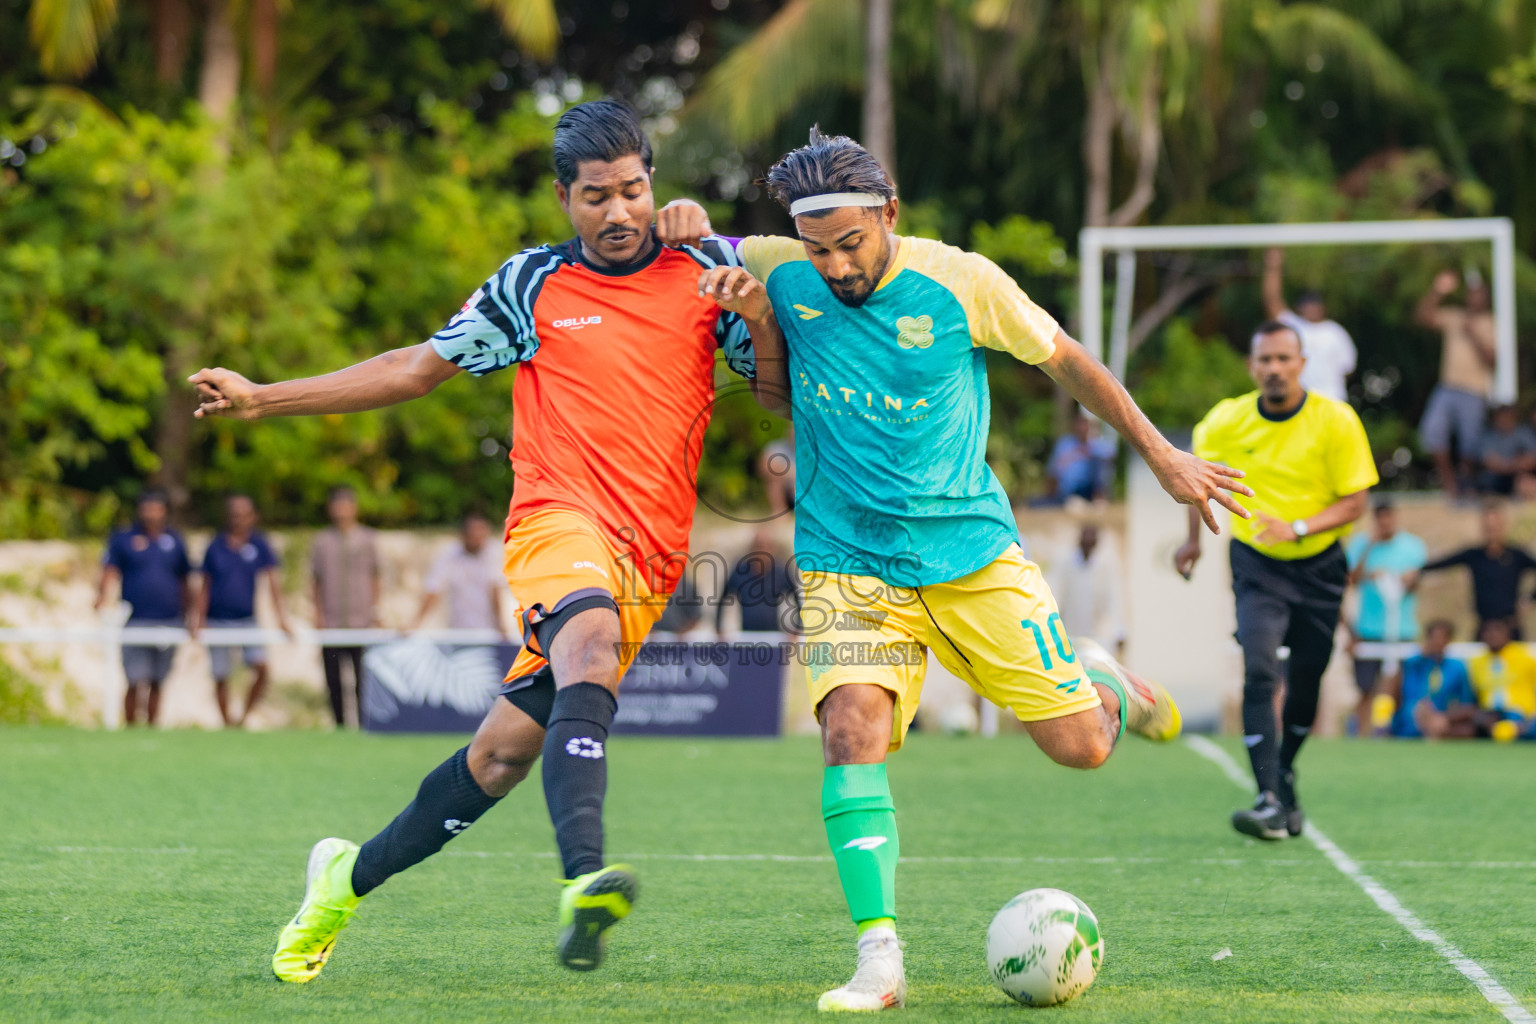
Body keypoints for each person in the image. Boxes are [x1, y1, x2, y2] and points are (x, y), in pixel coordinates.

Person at [189, 101, 762, 981]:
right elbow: (412, 370)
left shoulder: (705, 266)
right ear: (564, 200)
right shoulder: (531, 285)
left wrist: (741, 280)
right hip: (556, 521)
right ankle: (585, 881)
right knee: (591, 640)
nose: (618, 214)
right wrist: (266, 396)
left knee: (497, 757)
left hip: (650, 558)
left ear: (654, 182)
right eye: (595, 197)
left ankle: (345, 878)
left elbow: (780, 387)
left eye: (634, 191)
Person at [681, 128, 1248, 1011]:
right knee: (848, 734)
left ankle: (1104, 682)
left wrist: (1161, 454)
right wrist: (697, 240)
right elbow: (748, 359)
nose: (835, 266)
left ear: (890, 213)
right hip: (845, 556)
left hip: (971, 555)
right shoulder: (774, 267)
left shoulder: (963, 280)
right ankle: (879, 960)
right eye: (818, 248)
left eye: (852, 244)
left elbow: (1069, 362)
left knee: (1082, 748)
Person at [1177, 319, 1377, 841]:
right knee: (1261, 667)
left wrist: (1299, 527)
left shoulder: (1336, 421)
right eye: (1265, 360)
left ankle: (1284, 771)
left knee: (1309, 678)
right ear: (1252, 367)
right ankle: (1267, 796)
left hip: (1320, 566)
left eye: (1284, 359)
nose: (1274, 369)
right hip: (1257, 564)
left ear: (1302, 365)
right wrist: (1193, 541)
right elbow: (1197, 479)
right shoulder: (1226, 420)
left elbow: (1356, 501)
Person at [95, 490, 192, 726]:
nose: (151, 513)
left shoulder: (175, 540)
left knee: (158, 680)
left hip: (169, 618)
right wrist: (101, 597)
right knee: (135, 678)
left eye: (156, 508)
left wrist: (190, 613)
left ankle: (152, 725)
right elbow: (110, 570)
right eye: (147, 508)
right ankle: (130, 725)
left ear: (165, 511)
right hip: (135, 618)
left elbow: (185, 579)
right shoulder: (124, 538)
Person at [193, 494, 291, 726]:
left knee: (262, 669)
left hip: (248, 619)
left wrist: (282, 618)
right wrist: (198, 617)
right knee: (221, 675)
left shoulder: (259, 544)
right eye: (234, 514)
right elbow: (204, 585)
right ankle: (227, 721)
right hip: (217, 620)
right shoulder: (215, 546)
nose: (238, 519)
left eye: (243, 514)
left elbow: (273, 583)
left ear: (253, 517)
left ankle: (244, 717)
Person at [1345, 500, 1426, 735]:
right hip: (1369, 630)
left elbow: (1415, 584)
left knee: (1399, 688)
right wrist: (1370, 548)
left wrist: (1405, 579)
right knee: (1365, 689)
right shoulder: (1361, 544)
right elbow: (1351, 579)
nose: (1385, 522)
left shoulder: (1412, 546)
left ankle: (1394, 733)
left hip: (1402, 630)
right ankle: (1361, 735)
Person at [1415, 269, 1495, 495]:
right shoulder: (1455, 316)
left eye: (1479, 293)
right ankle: (1450, 487)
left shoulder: (1493, 322)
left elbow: (1493, 361)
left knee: (1470, 444)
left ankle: (1466, 485)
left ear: (1486, 297)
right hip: (1447, 388)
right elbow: (1422, 317)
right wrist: (1437, 291)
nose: (1474, 298)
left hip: (1475, 391)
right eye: (1471, 293)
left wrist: (1474, 334)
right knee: (1432, 433)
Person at [311, 486, 380, 728]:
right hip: (331, 623)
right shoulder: (322, 542)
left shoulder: (367, 539)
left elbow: (375, 576)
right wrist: (317, 614)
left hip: (360, 622)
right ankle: (339, 724)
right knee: (333, 680)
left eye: (345, 505)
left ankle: (364, 725)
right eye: (336, 505)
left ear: (354, 508)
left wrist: (375, 610)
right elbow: (316, 581)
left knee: (363, 679)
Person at [1419, 501, 1536, 640]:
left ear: (1503, 525)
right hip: (1484, 626)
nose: (1491, 528)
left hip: (1510, 627)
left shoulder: (1516, 555)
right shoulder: (1474, 555)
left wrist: (1529, 599)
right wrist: (1417, 569)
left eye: (1495, 525)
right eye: (1488, 525)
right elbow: (1443, 562)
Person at [1262, 247, 1357, 403]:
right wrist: (1273, 266)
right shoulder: (1293, 327)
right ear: (1300, 307)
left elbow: (1348, 369)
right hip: (1300, 403)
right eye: (1308, 304)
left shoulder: (1335, 332)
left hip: (1332, 401)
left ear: (1323, 307)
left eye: (1316, 303)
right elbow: (1272, 300)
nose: (1312, 308)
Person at [1379, 620, 1476, 739]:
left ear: (1449, 641)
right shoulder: (1411, 663)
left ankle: (1433, 729)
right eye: (1434, 637)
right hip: (1408, 721)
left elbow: (1468, 705)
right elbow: (1392, 692)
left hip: (1439, 720)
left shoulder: (1457, 668)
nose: (1438, 642)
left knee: (1467, 731)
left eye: (1442, 638)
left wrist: (1444, 718)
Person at [412, 513, 505, 634]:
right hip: (459, 630)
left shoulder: (496, 553)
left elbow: (496, 589)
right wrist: (415, 623)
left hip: (491, 632)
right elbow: (433, 589)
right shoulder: (449, 554)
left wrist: (502, 627)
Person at [1048, 523, 1126, 656]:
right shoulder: (1064, 561)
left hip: (1098, 636)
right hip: (1070, 632)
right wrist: (1050, 626)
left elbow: (1114, 598)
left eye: (1092, 541)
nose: (1088, 544)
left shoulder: (1107, 564)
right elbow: (1055, 594)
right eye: (1086, 540)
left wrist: (1119, 630)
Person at [715, 527, 800, 636]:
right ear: (751, 549)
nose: (762, 550)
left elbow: (797, 599)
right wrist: (719, 629)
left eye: (766, 546)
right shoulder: (740, 571)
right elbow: (723, 598)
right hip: (747, 638)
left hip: (772, 637)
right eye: (758, 546)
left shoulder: (780, 572)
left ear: (772, 549)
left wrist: (797, 628)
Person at [1466, 617, 1536, 739]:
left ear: (1508, 634)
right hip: (1489, 715)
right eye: (1487, 631)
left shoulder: (1525, 658)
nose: (1492, 635)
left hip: (1520, 714)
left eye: (1497, 630)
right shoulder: (1475, 662)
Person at [1041, 411, 1116, 504]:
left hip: (1090, 488)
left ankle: (1098, 498)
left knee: (1098, 462)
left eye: (1085, 425)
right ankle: (1055, 499)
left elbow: (1110, 456)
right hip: (1068, 489)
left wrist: (1089, 452)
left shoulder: (1097, 444)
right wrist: (1074, 455)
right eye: (1080, 425)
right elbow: (1053, 469)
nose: (1082, 428)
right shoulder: (1064, 444)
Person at [1476, 405, 1536, 497]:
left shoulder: (1524, 433)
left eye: (1509, 417)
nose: (1505, 420)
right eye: (1502, 417)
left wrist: (1509, 465)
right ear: (1495, 418)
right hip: (1494, 480)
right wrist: (1515, 464)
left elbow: (1532, 459)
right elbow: (1490, 462)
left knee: (1526, 482)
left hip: (1517, 478)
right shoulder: (1488, 437)